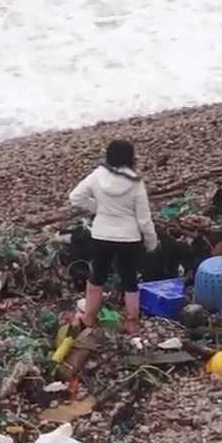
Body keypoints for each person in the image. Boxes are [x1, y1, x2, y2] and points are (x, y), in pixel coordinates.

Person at [68, 139, 158, 334]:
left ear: (108, 156)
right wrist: (152, 242)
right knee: (129, 280)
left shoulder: (97, 175)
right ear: (130, 158)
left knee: (96, 277)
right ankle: (132, 322)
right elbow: (144, 219)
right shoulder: (135, 181)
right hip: (128, 237)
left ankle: (89, 317)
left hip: (101, 234)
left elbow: (75, 197)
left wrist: (99, 208)